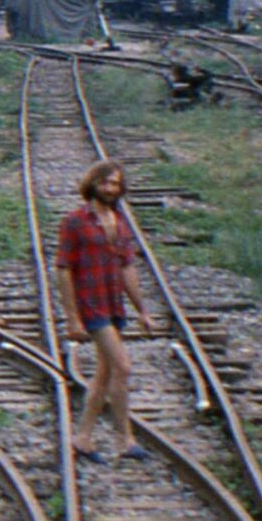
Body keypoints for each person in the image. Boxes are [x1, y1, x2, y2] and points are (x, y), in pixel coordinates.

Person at [54, 160, 159, 464]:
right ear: (93, 185)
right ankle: (125, 439)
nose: (111, 189)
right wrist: (72, 317)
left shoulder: (120, 222)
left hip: (113, 303)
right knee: (122, 366)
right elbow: (62, 270)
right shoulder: (75, 221)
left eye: (115, 184)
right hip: (90, 304)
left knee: (104, 373)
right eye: (106, 183)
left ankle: (83, 438)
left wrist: (142, 310)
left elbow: (128, 268)